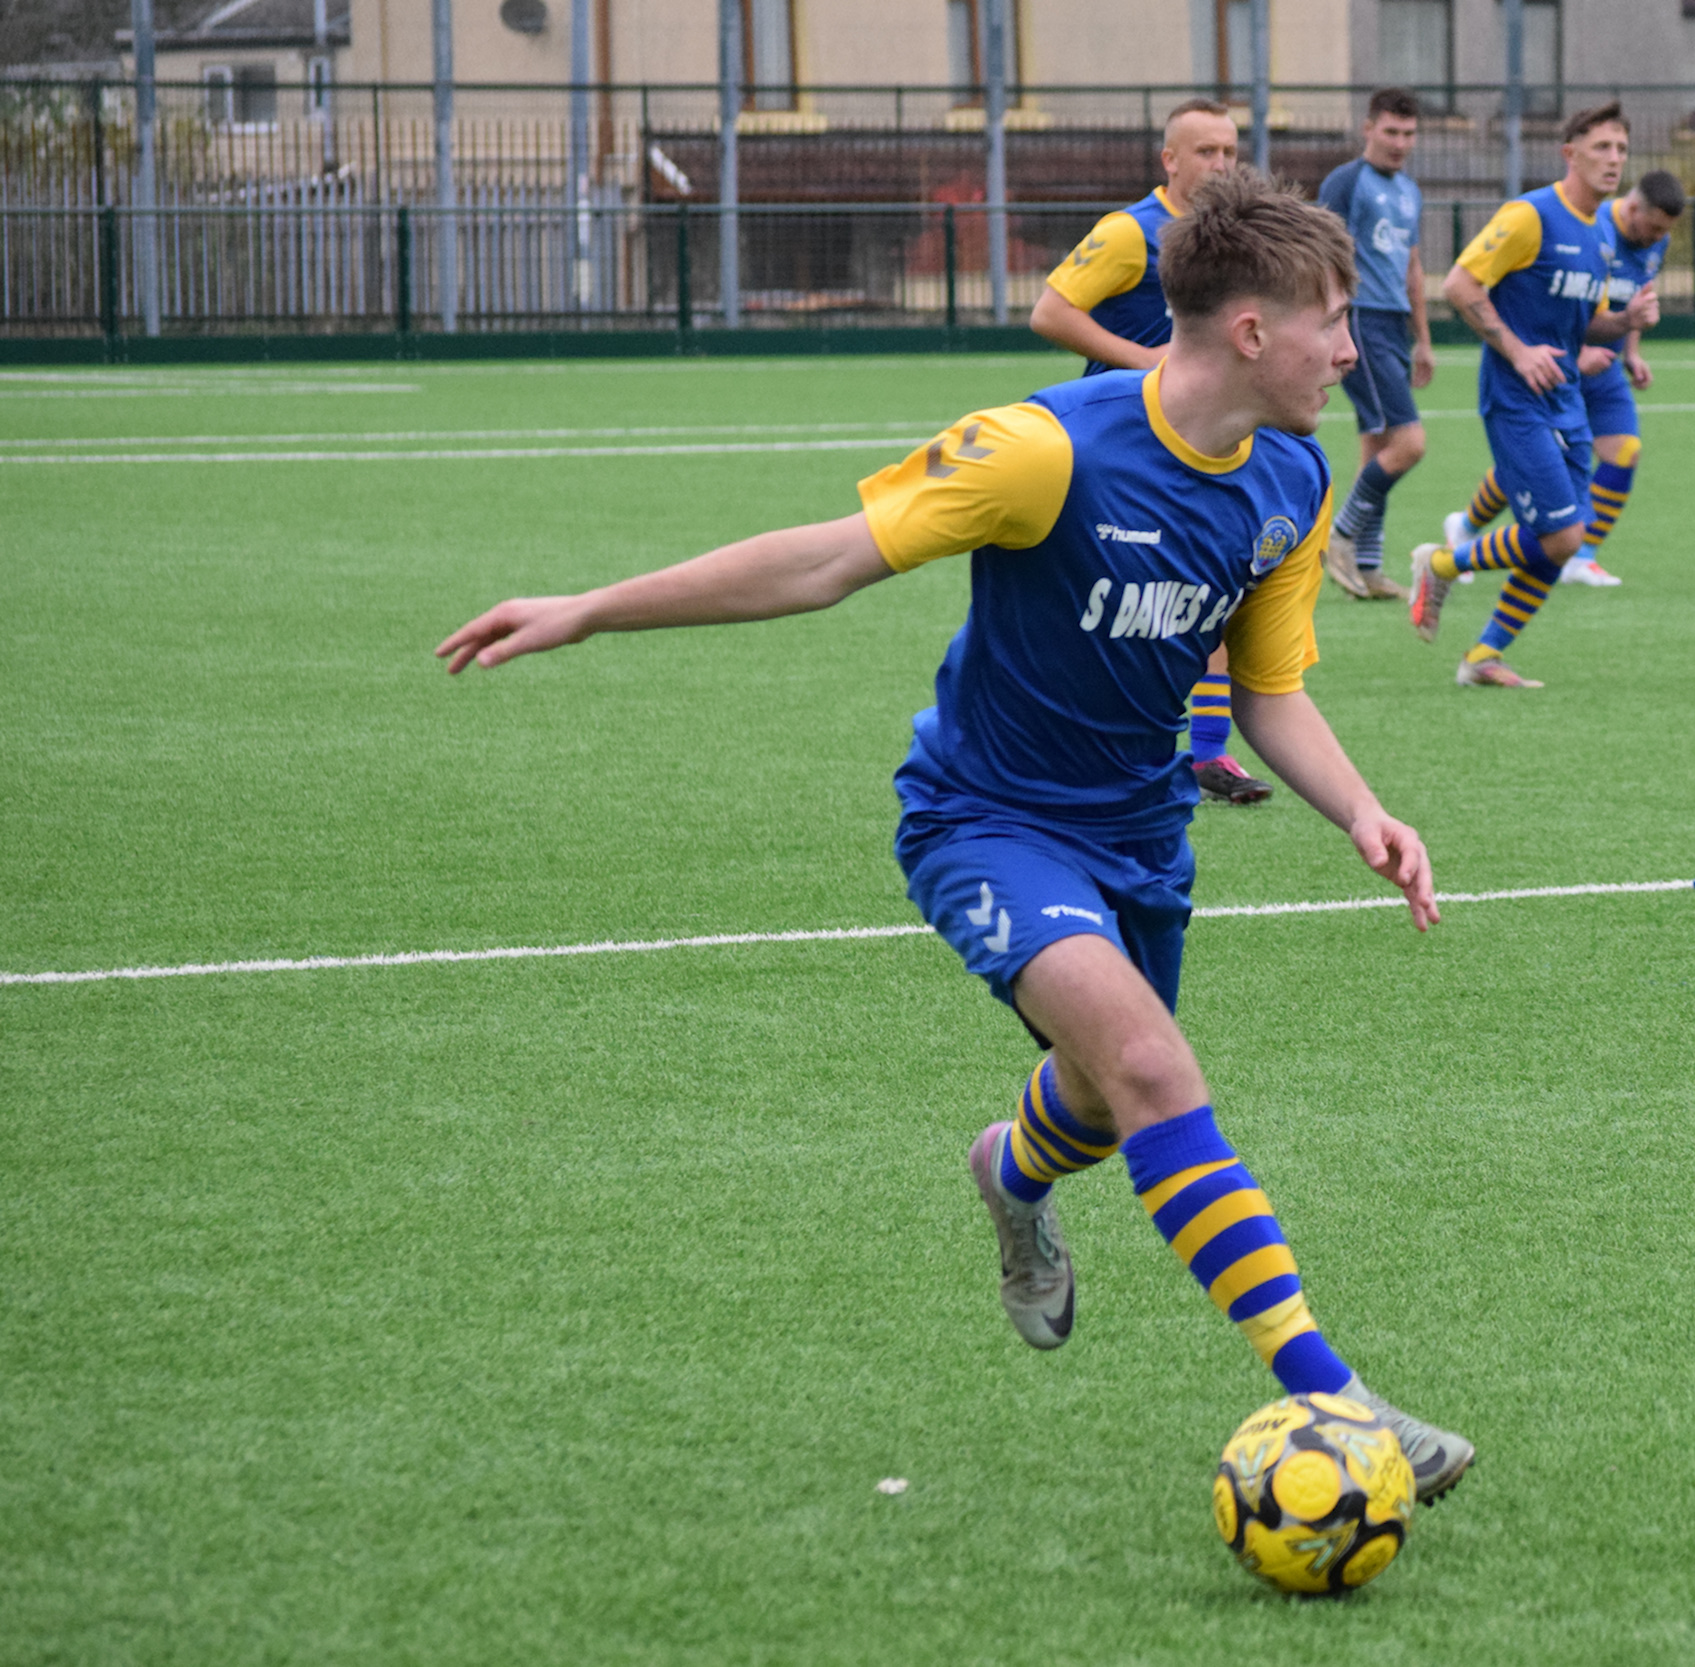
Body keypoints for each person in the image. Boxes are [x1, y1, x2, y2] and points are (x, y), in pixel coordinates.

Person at [436, 169, 1476, 1504]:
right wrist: (591, 606)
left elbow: (1268, 690)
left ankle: (1011, 1168)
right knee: (1155, 1065)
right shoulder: (1048, 450)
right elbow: (825, 558)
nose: (1353, 346)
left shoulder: (1291, 475)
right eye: (1332, 317)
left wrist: (1364, 809)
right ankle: (1333, 1391)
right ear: (1250, 332)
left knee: (1104, 1101)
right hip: (986, 822)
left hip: (1141, 836)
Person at [1031, 99, 1270, 806]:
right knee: (1108, 607)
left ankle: (1208, 755)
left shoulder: (1233, 238)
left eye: (1229, 151)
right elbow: (1051, 311)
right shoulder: (1131, 233)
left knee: (1209, 594)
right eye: (1205, 153)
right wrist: (1143, 360)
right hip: (1115, 452)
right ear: (1169, 160)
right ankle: (1074, 746)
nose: (1221, 164)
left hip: (1200, 446)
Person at [1411, 101, 1661, 688]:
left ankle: (1482, 658)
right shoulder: (1531, 215)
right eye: (1601, 147)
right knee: (1566, 535)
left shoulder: (1602, 233)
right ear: (1568, 152)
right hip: (1514, 397)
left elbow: (1588, 323)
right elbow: (1458, 284)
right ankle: (1442, 562)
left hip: (1567, 398)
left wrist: (1627, 321)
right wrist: (1518, 351)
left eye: (1621, 149)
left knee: (1557, 539)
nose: (1613, 160)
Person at [1447, 170, 1682, 589]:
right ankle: (1463, 528)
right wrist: (1581, 346)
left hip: (1604, 363)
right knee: (1535, 464)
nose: (1657, 237)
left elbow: (1636, 297)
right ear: (1633, 208)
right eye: (1654, 227)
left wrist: (1632, 351)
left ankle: (1583, 556)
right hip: (1558, 361)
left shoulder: (1656, 242)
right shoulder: (1593, 224)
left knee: (1624, 449)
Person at [1315, 87, 1434, 603]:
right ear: (1368, 129)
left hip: (1394, 325)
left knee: (1377, 446)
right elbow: (1323, 255)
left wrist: (1424, 339)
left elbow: (1411, 267)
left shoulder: (1409, 191)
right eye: (1390, 131)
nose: (1399, 142)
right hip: (1360, 321)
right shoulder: (1346, 183)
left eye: (1408, 133)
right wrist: (1331, 323)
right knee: (1409, 444)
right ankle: (1338, 539)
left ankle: (1366, 567)